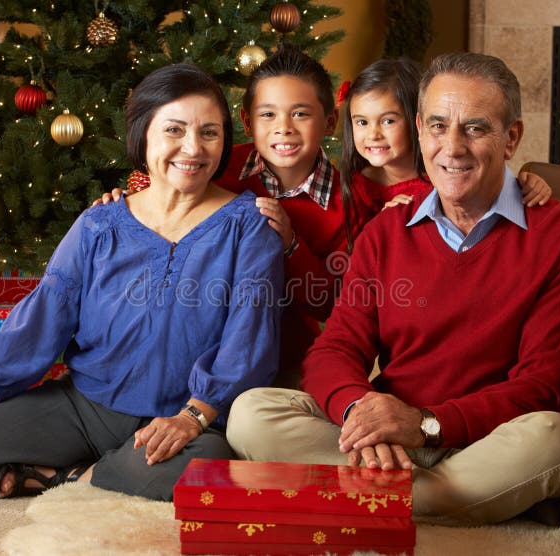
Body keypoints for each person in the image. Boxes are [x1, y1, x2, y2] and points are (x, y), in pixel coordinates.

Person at [226, 52, 560, 526]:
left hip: (486, 439)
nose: (453, 147)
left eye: (476, 128)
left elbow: (539, 387)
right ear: (421, 130)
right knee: (251, 412)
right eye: (439, 126)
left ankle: (363, 499)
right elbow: (336, 348)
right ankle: (442, 501)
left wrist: (424, 424)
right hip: (387, 437)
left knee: (559, 441)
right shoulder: (386, 231)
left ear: (512, 138)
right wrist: (363, 413)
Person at [0, 63, 284, 502]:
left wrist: (191, 419)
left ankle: (70, 477)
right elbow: (40, 319)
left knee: (208, 471)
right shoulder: (99, 224)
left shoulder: (251, 226)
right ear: (143, 134)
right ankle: (93, 475)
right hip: (85, 406)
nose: (192, 147)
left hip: (184, 417)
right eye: (175, 130)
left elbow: (247, 345)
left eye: (209, 133)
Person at [97, 45, 376, 388]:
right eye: (268, 115)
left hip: (282, 358)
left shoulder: (351, 203)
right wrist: (129, 201)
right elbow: (162, 192)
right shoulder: (214, 165)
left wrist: (291, 244)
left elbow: (330, 303)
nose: (283, 128)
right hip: (190, 343)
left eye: (300, 114)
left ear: (330, 121)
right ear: (246, 121)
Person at [338, 56, 551, 251]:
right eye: (362, 122)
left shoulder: (447, 177)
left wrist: (528, 184)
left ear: (417, 122)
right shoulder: (352, 185)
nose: (373, 134)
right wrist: (385, 226)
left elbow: (490, 181)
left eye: (388, 121)